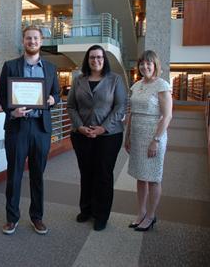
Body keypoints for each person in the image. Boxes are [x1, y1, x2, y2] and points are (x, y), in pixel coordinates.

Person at [0, 26, 60, 235]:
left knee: (37, 175)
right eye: (28, 38)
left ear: (41, 41)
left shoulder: (51, 68)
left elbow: (57, 94)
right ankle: (11, 218)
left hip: (41, 128)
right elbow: (3, 97)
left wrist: (52, 100)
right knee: (14, 174)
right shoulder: (10, 66)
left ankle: (37, 217)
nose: (32, 41)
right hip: (17, 127)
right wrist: (12, 112)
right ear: (23, 41)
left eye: (35, 38)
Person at [66, 44, 127, 231]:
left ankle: (101, 215)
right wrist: (80, 126)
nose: (96, 60)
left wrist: (102, 128)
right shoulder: (78, 80)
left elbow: (120, 107)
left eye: (99, 57)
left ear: (104, 59)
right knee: (86, 173)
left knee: (103, 175)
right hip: (82, 135)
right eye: (92, 57)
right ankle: (86, 210)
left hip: (109, 136)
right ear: (87, 60)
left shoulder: (115, 79)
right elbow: (71, 107)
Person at [125, 50, 172, 231]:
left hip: (154, 135)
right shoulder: (136, 85)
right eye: (142, 64)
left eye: (148, 64)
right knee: (140, 176)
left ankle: (151, 215)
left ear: (155, 66)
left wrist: (156, 140)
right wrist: (127, 136)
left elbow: (167, 116)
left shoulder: (162, 85)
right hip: (136, 134)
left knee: (153, 177)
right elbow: (132, 112)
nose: (145, 67)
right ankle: (141, 212)